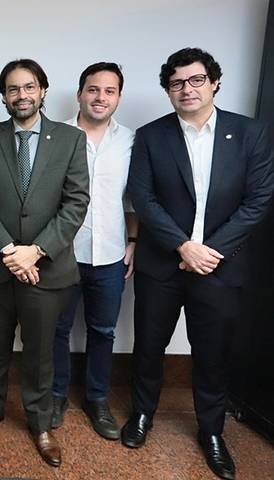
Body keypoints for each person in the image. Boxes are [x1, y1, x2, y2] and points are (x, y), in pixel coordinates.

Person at [122, 47, 274, 480]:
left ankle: (211, 431)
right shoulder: (151, 136)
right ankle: (142, 415)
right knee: (149, 347)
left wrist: (209, 251)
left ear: (214, 82)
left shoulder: (250, 134)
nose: (186, 89)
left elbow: (258, 199)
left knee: (213, 354)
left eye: (195, 80)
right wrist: (182, 247)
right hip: (162, 264)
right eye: (176, 83)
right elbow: (144, 199)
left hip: (221, 268)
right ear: (167, 90)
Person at [0, 59, 89, 468]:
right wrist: (8, 250)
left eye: (29, 87)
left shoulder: (70, 139)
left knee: (39, 349)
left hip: (47, 265)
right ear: (4, 96)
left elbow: (75, 203)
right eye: (13, 89)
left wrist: (34, 251)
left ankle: (40, 424)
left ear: (43, 91)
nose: (22, 95)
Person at [52, 62, 137, 439]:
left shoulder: (131, 141)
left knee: (103, 331)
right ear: (79, 93)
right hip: (63, 254)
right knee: (57, 329)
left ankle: (97, 398)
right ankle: (56, 395)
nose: (100, 97)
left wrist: (132, 243)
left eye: (109, 91)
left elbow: (133, 200)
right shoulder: (56, 137)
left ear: (118, 96)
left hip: (111, 255)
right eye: (93, 89)